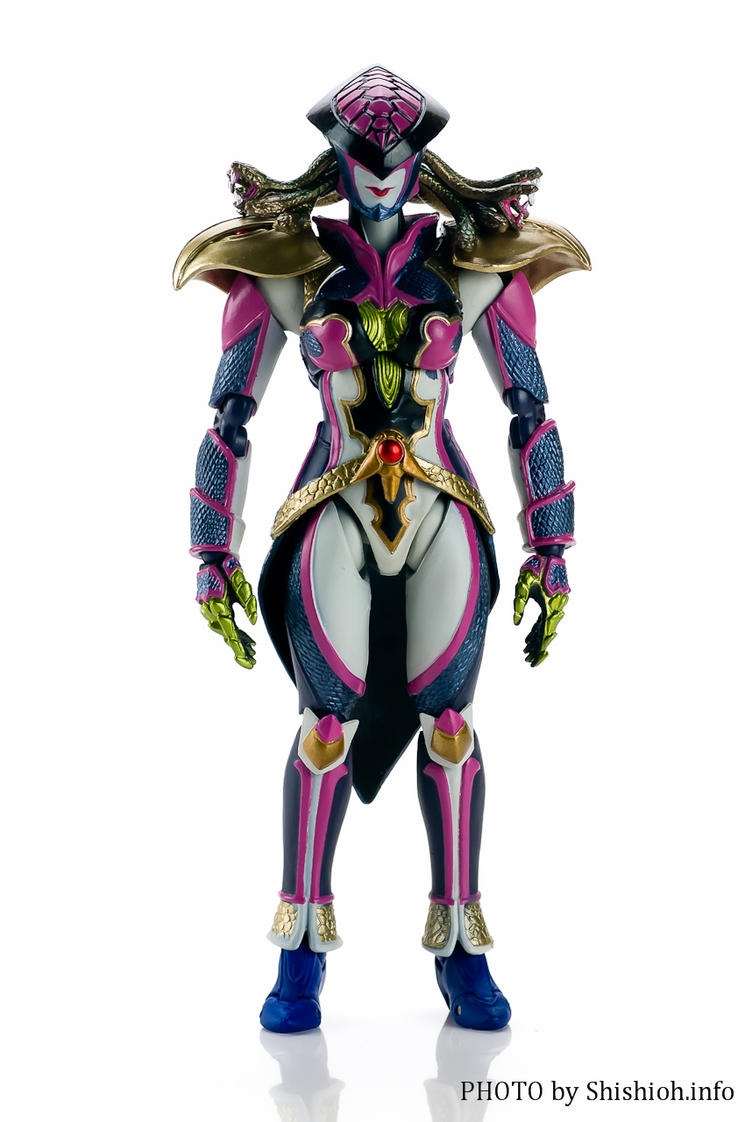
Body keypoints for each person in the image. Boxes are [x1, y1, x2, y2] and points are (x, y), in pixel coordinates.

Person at [174, 65, 589, 1033]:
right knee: (325, 725)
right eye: (361, 154)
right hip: (334, 502)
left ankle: (461, 945)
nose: (378, 171)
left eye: (397, 155)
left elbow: (530, 410)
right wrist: (210, 549)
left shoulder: (476, 264)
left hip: (442, 504)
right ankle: (299, 948)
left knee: (452, 727)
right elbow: (229, 417)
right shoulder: (284, 267)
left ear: (419, 162)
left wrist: (551, 543)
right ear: (335, 158)